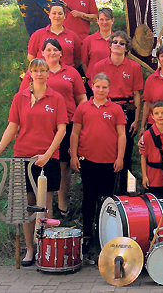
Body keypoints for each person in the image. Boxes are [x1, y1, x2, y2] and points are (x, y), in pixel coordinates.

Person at [0, 58, 67, 266]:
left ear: (48, 73)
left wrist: (48, 154)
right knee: (26, 205)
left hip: (47, 158)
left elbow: (61, 130)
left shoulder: (56, 98)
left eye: (43, 70)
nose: (39, 74)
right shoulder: (19, 98)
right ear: (29, 73)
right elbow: (12, 127)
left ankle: (45, 249)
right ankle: (30, 250)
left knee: (46, 205)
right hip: (22, 156)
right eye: (35, 70)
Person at [20, 39, 87, 216]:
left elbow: (82, 99)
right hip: (41, 126)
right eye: (48, 50)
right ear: (42, 52)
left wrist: (83, 120)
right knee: (45, 162)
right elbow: (22, 98)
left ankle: (62, 202)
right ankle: (41, 205)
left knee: (64, 164)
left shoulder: (71, 72)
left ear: (61, 53)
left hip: (67, 124)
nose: (52, 53)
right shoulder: (33, 73)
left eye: (56, 50)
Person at [70, 72, 126, 258]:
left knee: (107, 201)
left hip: (109, 162)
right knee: (89, 199)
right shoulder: (83, 108)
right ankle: (87, 235)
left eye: (104, 87)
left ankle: (106, 236)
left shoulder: (116, 109)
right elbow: (75, 133)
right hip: (88, 160)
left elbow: (121, 135)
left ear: (109, 89)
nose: (101, 90)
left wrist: (120, 158)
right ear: (91, 87)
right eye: (98, 86)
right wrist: (74, 155)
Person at [93, 31, 143, 194]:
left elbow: (137, 94)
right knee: (105, 152)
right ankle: (104, 193)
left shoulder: (134, 67)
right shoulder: (99, 66)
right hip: (106, 110)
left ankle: (125, 194)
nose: (118, 45)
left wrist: (136, 120)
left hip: (126, 112)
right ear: (109, 45)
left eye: (122, 43)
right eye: (115, 42)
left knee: (126, 156)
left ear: (127, 48)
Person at [28, 1, 82, 68]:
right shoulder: (38, 34)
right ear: (49, 15)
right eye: (54, 13)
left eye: (60, 13)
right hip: (44, 76)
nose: (57, 16)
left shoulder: (73, 36)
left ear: (65, 16)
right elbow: (31, 57)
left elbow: (77, 60)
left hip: (65, 76)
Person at [81, 8, 115, 93]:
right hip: (93, 85)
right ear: (97, 21)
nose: (104, 22)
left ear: (112, 20)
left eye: (107, 19)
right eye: (102, 19)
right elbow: (84, 63)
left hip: (114, 85)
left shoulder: (118, 41)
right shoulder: (89, 40)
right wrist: (91, 78)